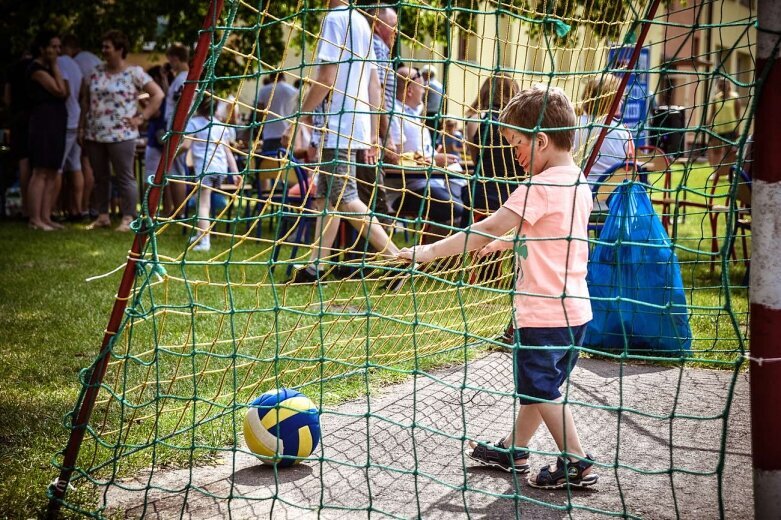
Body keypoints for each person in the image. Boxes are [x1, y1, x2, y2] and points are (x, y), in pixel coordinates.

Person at [396, 85, 598, 489]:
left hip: (543, 315)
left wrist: (429, 252)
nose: (515, 154)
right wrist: (507, 241)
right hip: (575, 313)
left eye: (517, 144)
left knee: (541, 388)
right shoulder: (576, 180)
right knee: (540, 389)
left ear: (540, 140)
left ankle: (576, 460)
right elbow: (553, 233)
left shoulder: (538, 187)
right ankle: (514, 449)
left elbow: (485, 226)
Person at [284, 0, 402, 285]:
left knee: (346, 199)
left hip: (338, 125)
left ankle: (397, 260)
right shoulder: (362, 22)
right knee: (326, 199)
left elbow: (327, 78)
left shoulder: (336, 19)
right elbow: (375, 84)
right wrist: (372, 132)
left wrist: (298, 115)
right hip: (352, 126)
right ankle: (314, 268)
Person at [80, 30, 164, 232]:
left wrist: (141, 118)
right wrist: (81, 127)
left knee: (124, 176)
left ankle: (128, 217)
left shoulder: (134, 73)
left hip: (122, 134)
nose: (104, 50)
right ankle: (103, 216)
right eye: (103, 46)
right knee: (100, 176)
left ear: (120, 49)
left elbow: (158, 94)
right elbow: (85, 101)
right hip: (95, 132)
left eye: (108, 47)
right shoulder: (94, 72)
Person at [385, 66, 463, 239]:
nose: (425, 89)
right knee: (454, 210)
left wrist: (435, 156)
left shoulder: (413, 114)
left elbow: (419, 153)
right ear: (410, 90)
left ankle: (436, 260)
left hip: (431, 182)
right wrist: (435, 161)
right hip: (408, 189)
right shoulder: (395, 115)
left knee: (472, 201)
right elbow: (396, 159)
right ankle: (430, 261)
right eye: (422, 86)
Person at [176, 95, 239, 252]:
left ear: (197, 106)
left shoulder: (194, 123)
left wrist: (172, 155)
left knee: (203, 204)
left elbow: (185, 145)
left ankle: (205, 242)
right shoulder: (219, 125)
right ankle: (200, 233)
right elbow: (228, 151)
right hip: (220, 169)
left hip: (205, 168)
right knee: (201, 201)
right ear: (216, 108)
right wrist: (236, 172)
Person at [354, 6, 398, 223]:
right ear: (378, 26)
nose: (396, 31)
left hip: (371, 133)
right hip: (374, 136)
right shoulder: (378, 48)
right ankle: (375, 254)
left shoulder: (378, 48)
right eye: (393, 26)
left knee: (366, 198)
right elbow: (376, 92)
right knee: (375, 202)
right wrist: (386, 136)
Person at [26, 31, 68, 231]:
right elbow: (59, 91)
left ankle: (46, 216)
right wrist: (54, 65)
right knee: (40, 170)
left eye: (59, 47)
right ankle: (35, 218)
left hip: (56, 124)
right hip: (42, 123)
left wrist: (54, 66)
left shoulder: (52, 69)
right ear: (43, 48)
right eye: (53, 46)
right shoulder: (36, 69)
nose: (57, 51)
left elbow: (65, 92)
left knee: (52, 170)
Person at [573, 75, 635, 210]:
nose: (622, 103)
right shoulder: (622, 132)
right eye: (621, 99)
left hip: (577, 200)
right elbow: (630, 168)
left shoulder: (573, 126)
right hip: (614, 203)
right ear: (610, 100)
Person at [62, 34, 102, 218]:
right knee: (84, 164)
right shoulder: (94, 59)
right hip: (97, 116)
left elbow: (79, 93)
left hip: (83, 117)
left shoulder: (73, 62)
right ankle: (87, 207)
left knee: (84, 163)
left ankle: (79, 207)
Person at [3, 51, 34, 219]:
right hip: (34, 117)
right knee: (36, 166)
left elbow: (7, 99)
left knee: (23, 161)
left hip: (17, 118)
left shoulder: (12, 69)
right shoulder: (36, 67)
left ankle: (26, 207)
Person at [57, 47, 85, 220]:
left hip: (66, 120)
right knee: (75, 166)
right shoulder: (75, 64)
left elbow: (64, 91)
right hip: (76, 116)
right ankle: (77, 210)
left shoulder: (58, 63)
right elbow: (82, 93)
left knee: (56, 168)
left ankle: (52, 211)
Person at [164, 42, 191, 218]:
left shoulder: (183, 78)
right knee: (174, 170)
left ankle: (179, 212)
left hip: (179, 128)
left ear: (176, 58)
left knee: (177, 171)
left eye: (171, 60)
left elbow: (182, 103)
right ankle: (177, 210)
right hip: (175, 127)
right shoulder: (180, 78)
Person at [142, 65, 169, 207]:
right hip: (158, 139)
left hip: (156, 140)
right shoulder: (166, 97)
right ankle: (165, 207)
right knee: (162, 175)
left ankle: (150, 207)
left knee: (151, 176)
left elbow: (156, 113)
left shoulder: (161, 98)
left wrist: (146, 107)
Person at [255, 72, 299, 154]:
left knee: (268, 164)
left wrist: (260, 128)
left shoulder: (264, 90)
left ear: (271, 77)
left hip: (269, 135)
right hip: (288, 134)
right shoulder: (294, 91)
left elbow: (260, 112)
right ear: (284, 77)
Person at [707, 78, 741, 180]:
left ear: (729, 85)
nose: (723, 87)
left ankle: (729, 173)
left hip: (730, 129)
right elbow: (712, 114)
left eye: (725, 85)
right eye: (720, 85)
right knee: (716, 151)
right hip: (717, 129)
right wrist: (709, 125)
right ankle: (715, 173)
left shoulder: (735, 98)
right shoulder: (715, 99)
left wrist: (737, 130)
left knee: (730, 152)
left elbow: (738, 115)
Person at [420, 64, 443, 142]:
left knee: (427, 137)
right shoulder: (440, 85)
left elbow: (422, 99)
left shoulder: (428, 84)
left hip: (428, 114)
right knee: (434, 136)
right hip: (437, 114)